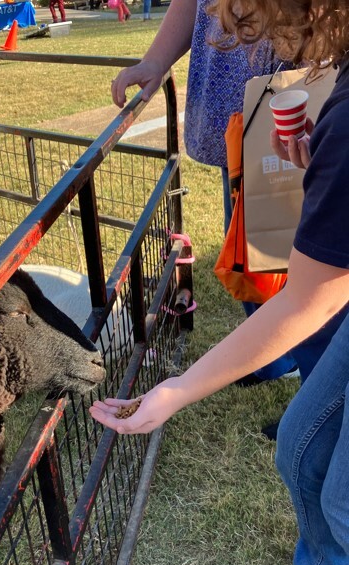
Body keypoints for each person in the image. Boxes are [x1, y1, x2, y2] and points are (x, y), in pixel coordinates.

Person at [92, 0, 349, 565]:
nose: (229, 25)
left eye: (245, 14)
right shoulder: (326, 86)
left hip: (286, 114)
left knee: (342, 494)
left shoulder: (326, 110)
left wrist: (176, 391)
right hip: (278, 120)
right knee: (303, 442)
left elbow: (312, 298)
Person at [111, 0, 299, 385]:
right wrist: (156, 60)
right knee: (254, 252)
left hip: (287, 96)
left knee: (292, 254)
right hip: (241, 114)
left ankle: (303, 362)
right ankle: (279, 356)